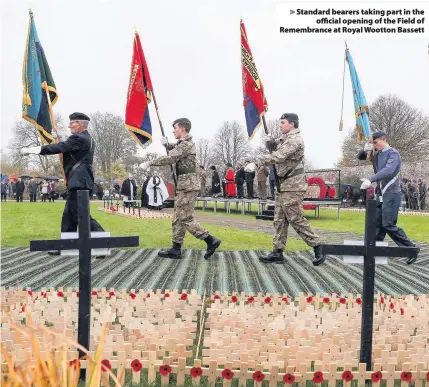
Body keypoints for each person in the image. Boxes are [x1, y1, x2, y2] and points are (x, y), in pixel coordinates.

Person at [20, 112, 105, 257]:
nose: (69, 125)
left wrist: (32, 150)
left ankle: (103, 243)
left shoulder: (80, 138)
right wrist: (57, 137)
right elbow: (67, 148)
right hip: (78, 182)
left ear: (79, 124)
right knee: (69, 216)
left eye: (72, 123)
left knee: (81, 216)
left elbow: (60, 147)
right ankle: (67, 246)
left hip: (79, 183)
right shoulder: (85, 138)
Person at [139, 118, 221, 259]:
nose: (173, 130)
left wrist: (150, 162)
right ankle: (175, 249)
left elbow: (171, 158)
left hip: (188, 187)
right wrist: (168, 145)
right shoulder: (183, 144)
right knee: (177, 218)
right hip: (184, 186)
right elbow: (177, 149)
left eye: (175, 128)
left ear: (182, 129)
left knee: (185, 218)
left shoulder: (187, 144)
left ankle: (210, 240)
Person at [258, 113, 324, 265]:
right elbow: (276, 148)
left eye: (283, 123)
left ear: (292, 124)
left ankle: (318, 247)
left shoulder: (295, 140)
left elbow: (279, 156)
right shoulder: (285, 139)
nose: (280, 125)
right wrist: (270, 143)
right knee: (279, 220)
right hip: (284, 185)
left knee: (295, 218)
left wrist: (258, 161)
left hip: (293, 186)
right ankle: (277, 252)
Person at [358, 131, 419, 264]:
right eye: (372, 143)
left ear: (383, 139)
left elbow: (388, 171)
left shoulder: (393, 153)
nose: (374, 145)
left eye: (375, 142)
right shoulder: (377, 154)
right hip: (381, 193)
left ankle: (411, 250)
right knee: (377, 225)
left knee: (388, 224)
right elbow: (360, 157)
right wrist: (364, 149)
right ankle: (373, 253)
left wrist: (371, 179)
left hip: (392, 192)